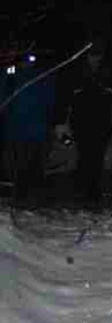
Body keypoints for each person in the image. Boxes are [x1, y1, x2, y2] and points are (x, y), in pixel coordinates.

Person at [57, 35, 112, 206]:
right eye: (92, 54)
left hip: (103, 119)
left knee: (97, 155)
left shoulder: (111, 68)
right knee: (85, 153)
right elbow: (63, 96)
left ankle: (93, 190)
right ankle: (83, 188)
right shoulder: (75, 69)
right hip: (81, 119)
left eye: (98, 54)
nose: (95, 58)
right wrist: (60, 121)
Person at [1, 49, 57, 207]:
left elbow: (50, 99)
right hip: (17, 128)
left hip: (38, 128)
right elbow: (4, 90)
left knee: (36, 163)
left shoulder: (43, 75)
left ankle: (34, 196)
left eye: (31, 59)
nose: (28, 62)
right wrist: (10, 65)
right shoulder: (12, 73)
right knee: (18, 162)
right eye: (25, 59)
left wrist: (50, 120)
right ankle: (19, 195)